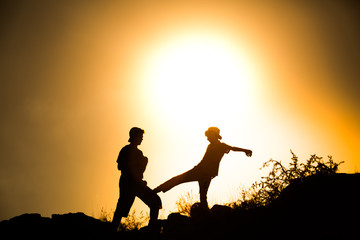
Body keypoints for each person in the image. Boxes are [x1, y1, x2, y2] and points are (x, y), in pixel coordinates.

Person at [154, 127, 252, 208]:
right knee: (179, 180)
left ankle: (205, 214)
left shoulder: (221, 146)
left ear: (214, 135)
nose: (207, 138)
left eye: (209, 136)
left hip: (205, 173)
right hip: (200, 170)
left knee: (201, 194)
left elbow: (233, 148)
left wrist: (246, 150)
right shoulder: (210, 146)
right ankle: (157, 190)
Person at [112, 127, 162, 230]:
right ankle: (112, 229)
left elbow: (139, 171)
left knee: (155, 201)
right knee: (122, 207)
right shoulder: (126, 150)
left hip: (136, 184)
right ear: (134, 136)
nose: (142, 139)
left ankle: (152, 229)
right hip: (128, 183)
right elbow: (120, 167)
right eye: (140, 136)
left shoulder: (139, 154)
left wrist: (143, 163)